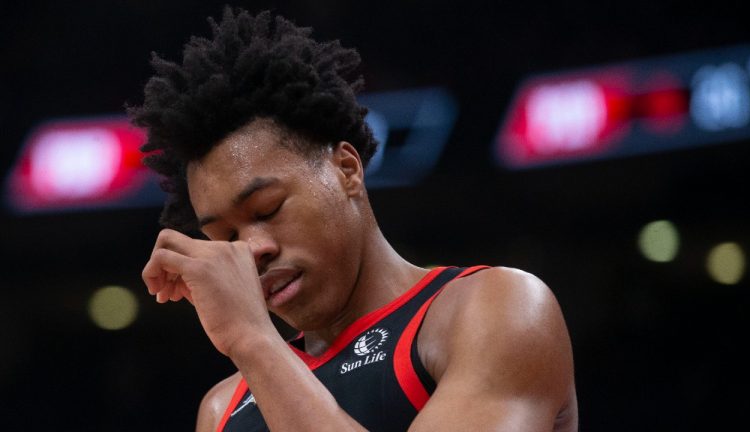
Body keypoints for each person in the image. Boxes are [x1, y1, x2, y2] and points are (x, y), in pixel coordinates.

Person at [130, 6, 578, 432]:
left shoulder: (495, 309)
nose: (253, 250)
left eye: (267, 209)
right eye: (224, 236)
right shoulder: (222, 408)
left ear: (346, 169)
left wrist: (252, 340)